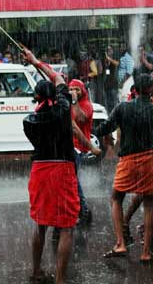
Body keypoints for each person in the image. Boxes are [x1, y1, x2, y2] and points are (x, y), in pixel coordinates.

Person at [94, 74, 153, 263]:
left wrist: (89, 131)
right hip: (150, 160)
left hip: (128, 161)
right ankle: (146, 251)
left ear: (135, 90)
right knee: (149, 204)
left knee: (116, 198)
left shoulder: (123, 108)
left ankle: (120, 242)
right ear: (152, 90)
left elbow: (106, 128)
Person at [22, 47, 79, 284]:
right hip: (61, 169)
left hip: (40, 171)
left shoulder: (29, 121)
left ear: (36, 97)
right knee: (66, 226)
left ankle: (36, 270)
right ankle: (60, 279)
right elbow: (57, 78)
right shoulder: (63, 109)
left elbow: (53, 85)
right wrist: (35, 60)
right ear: (55, 95)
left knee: (41, 223)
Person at [68, 79, 101, 226]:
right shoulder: (68, 102)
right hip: (68, 146)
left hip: (76, 148)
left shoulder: (86, 105)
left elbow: (80, 118)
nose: (74, 92)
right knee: (72, 181)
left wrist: (74, 101)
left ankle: (84, 210)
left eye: (77, 89)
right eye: (71, 89)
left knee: (73, 181)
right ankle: (79, 210)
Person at [102, 45, 120, 113]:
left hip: (114, 84)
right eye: (107, 50)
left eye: (110, 50)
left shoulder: (115, 58)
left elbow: (117, 63)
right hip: (106, 85)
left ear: (112, 51)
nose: (109, 52)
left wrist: (109, 58)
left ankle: (116, 115)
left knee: (114, 102)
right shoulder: (105, 60)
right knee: (108, 103)